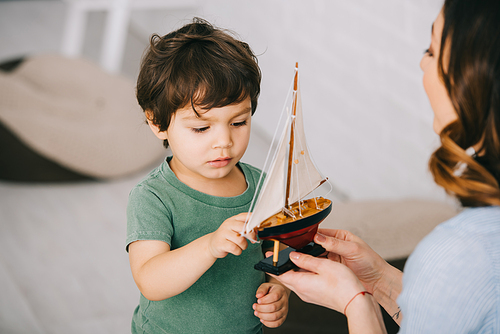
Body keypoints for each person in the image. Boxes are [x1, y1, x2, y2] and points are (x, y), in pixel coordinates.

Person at [272, 0, 500, 333]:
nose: (422, 62)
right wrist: (378, 278)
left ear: (474, 81)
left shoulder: (458, 255)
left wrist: (357, 303)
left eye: (432, 51)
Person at [126, 18, 289, 333]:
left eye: (238, 122)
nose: (224, 141)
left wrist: (281, 291)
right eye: (201, 128)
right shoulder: (153, 198)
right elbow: (150, 280)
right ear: (157, 122)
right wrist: (209, 246)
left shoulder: (263, 186)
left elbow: (278, 257)